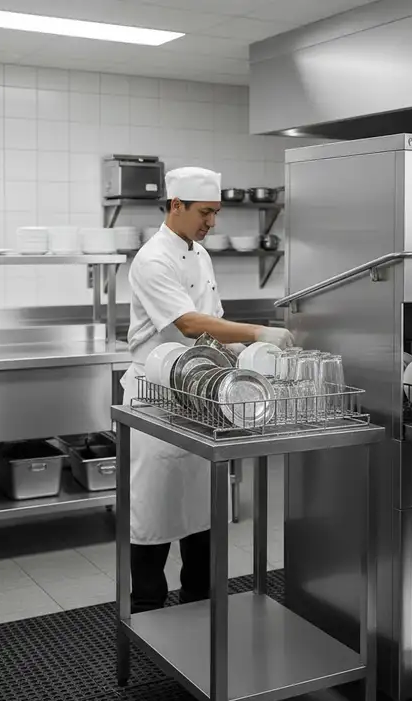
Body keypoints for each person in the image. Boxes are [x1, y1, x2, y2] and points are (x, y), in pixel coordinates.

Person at [121, 166, 293, 613]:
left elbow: (211, 326)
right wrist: (257, 332)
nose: (211, 223)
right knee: (153, 510)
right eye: (205, 212)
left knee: (204, 507)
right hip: (156, 393)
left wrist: (248, 356)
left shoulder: (200, 254)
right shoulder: (152, 258)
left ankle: (200, 605)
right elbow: (187, 322)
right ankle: (147, 610)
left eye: (215, 213)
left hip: (200, 391)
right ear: (176, 206)